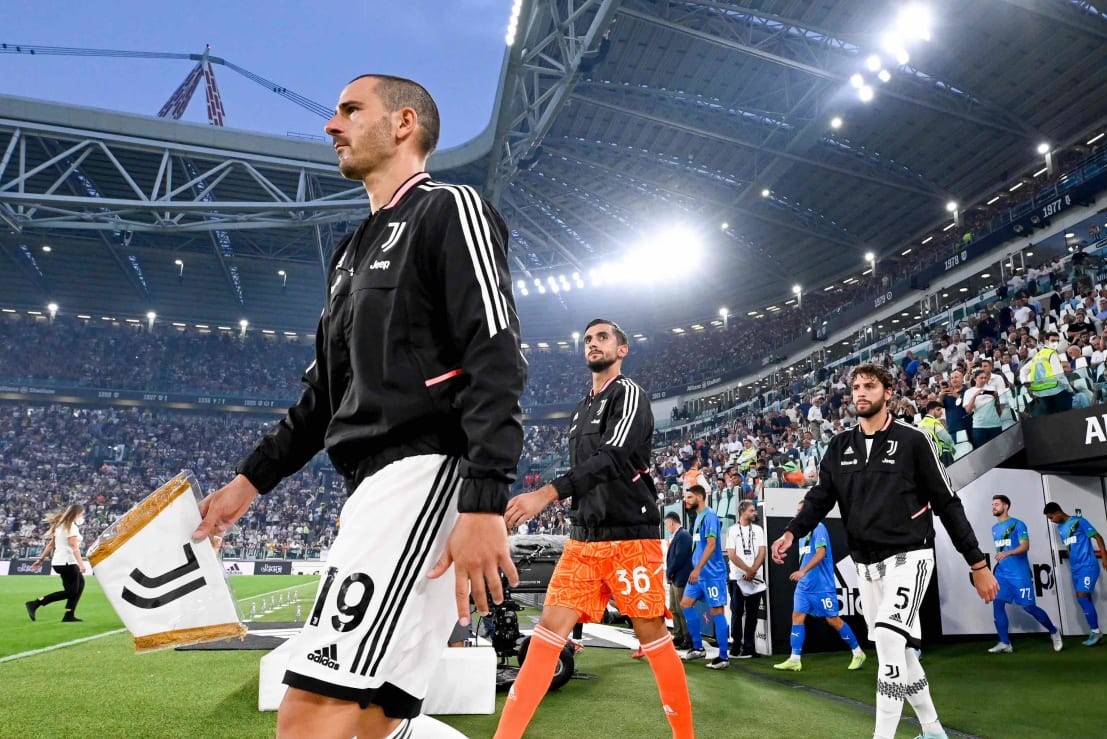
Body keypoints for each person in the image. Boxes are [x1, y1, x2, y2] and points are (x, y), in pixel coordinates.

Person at [190, 74, 527, 739]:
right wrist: (247, 482)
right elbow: (322, 397)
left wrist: (484, 499)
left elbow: (496, 353)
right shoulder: (349, 252)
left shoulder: (448, 207)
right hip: (371, 489)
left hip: (421, 476)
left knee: (311, 714)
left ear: (403, 123)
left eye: (349, 109)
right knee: (371, 717)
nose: (330, 124)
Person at [771, 363, 998, 739]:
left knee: (890, 640)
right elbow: (820, 497)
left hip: (910, 556)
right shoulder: (840, 445)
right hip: (866, 565)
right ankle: (933, 730)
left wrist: (977, 562)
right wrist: (793, 532)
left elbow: (947, 503)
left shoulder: (913, 441)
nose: (860, 392)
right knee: (902, 653)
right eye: (856, 387)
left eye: (870, 386)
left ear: (887, 392)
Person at [495, 319, 693, 738]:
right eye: (587, 339)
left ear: (622, 349)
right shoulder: (581, 408)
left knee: (650, 631)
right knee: (549, 630)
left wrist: (548, 493)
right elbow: (586, 471)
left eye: (603, 337)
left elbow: (614, 457)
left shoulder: (631, 394)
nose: (593, 343)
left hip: (631, 536)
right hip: (583, 539)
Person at [774, 500, 866, 672]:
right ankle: (795, 659)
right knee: (797, 617)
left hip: (822, 587)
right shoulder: (800, 534)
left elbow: (821, 553)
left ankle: (858, 652)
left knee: (833, 620)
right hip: (804, 587)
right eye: (797, 512)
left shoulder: (819, 528)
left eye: (801, 511)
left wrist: (803, 571)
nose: (798, 515)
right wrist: (777, 551)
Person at [987, 495, 1062, 653]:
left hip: (1019, 574)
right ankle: (1005, 643)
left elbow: (1025, 546)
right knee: (997, 604)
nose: (993, 507)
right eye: (993, 504)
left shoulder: (1018, 524)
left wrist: (1007, 554)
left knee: (1029, 607)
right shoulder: (994, 528)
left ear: (1006, 506)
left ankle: (1054, 632)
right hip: (1002, 574)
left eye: (997, 504)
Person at [679, 484, 731, 669]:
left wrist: (697, 569)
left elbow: (711, 545)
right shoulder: (698, 517)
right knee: (685, 603)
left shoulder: (709, 517)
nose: (687, 500)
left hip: (711, 574)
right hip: (699, 574)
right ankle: (698, 647)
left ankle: (723, 657)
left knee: (717, 611)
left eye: (690, 497)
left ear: (700, 497)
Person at [1044, 502, 1106, 646]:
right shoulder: (1060, 528)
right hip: (1076, 568)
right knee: (1083, 598)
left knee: (1082, 596)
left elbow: (1098, 537)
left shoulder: (1079, 521)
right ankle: (1095, 631)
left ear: (1058, 512)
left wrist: (1104, 556)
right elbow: (1073, 544)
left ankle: (1096, 632)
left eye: (1051, 517)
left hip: (1088, 566)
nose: (1051, 521)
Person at [25, 504, 88, 623]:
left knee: (80, 585)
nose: (82, 516)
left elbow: (51, 545)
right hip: (67, 562)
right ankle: (36, 603)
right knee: (71, 592)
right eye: (82, 514)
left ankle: (69, 614)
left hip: (58, 562)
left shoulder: (60, 525)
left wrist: (41, 560)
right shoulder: (71, 527)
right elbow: (74, 546)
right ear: (76, 514)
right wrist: (81, 564)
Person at [725, 500, 766, 659]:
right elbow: (731, 554)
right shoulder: (732, 530)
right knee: (737, 612)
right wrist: (747, 570)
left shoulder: (758, 529)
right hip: (737, 577)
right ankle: (736, 645)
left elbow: (762, 552)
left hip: (755, 578)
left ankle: (749, 646)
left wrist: (753, 570)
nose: (754, 513)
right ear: (742, 511)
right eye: (751, 510)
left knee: (752, 613)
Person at [664, 511, 694, 651]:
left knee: (682, 610)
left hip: (680, 578)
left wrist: (669, 572)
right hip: (675, 578)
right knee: (674, 609)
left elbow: (679, 558)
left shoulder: (683, 536)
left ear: (671, 522)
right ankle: (678, 635)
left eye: (666, 524)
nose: (666, 527)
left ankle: (687, 638)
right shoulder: (679, 535)